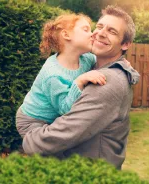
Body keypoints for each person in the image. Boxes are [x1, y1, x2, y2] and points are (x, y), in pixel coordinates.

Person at [17, 5, 140, 170]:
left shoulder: (106, 82)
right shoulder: (89, 63)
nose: (100, 33)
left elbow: (66, 129)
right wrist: (124, 65)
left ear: (125, 44)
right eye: (100, 27)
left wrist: (31, 142)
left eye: (112, 31)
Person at [16, 13, 107, 130]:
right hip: (32, 121)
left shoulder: (86, 59)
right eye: (86, 30)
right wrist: (79, 81)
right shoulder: (53, 74)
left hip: (53, 120)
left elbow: (105, 63)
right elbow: (65, 109)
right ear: (66, 34)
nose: (93, 34)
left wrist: (121, 63)